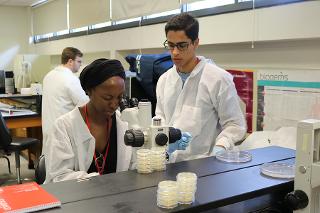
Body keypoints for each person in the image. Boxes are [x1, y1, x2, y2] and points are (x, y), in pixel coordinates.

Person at [156, 13, 247, 162]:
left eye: (182, 45)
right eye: (171, 45)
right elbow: (159, 119)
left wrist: (220, 148)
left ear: (196, 43)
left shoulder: (218, 79)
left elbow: (235, 124)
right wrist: (163, 142)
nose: (175, 52)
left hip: (203, 165)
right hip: (168, 162)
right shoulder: (164, 80)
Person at [45, 58, 132, 183]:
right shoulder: (64, 127)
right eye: (107, 97)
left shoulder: (123, 124)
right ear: (89, 91)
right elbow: (58, 177)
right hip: (78, 200)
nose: (114, 104)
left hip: (118, 198)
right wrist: (95, 181)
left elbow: (135, 166)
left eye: (120, 97)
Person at [41, 47, 89, 156]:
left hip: (49, 129)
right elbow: (85, 104)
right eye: (79, 61)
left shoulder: (48, 76)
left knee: (50, 163)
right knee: (65, 167)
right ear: (70, 61)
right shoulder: (70, 79)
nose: (80, 65)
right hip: (64, 131)